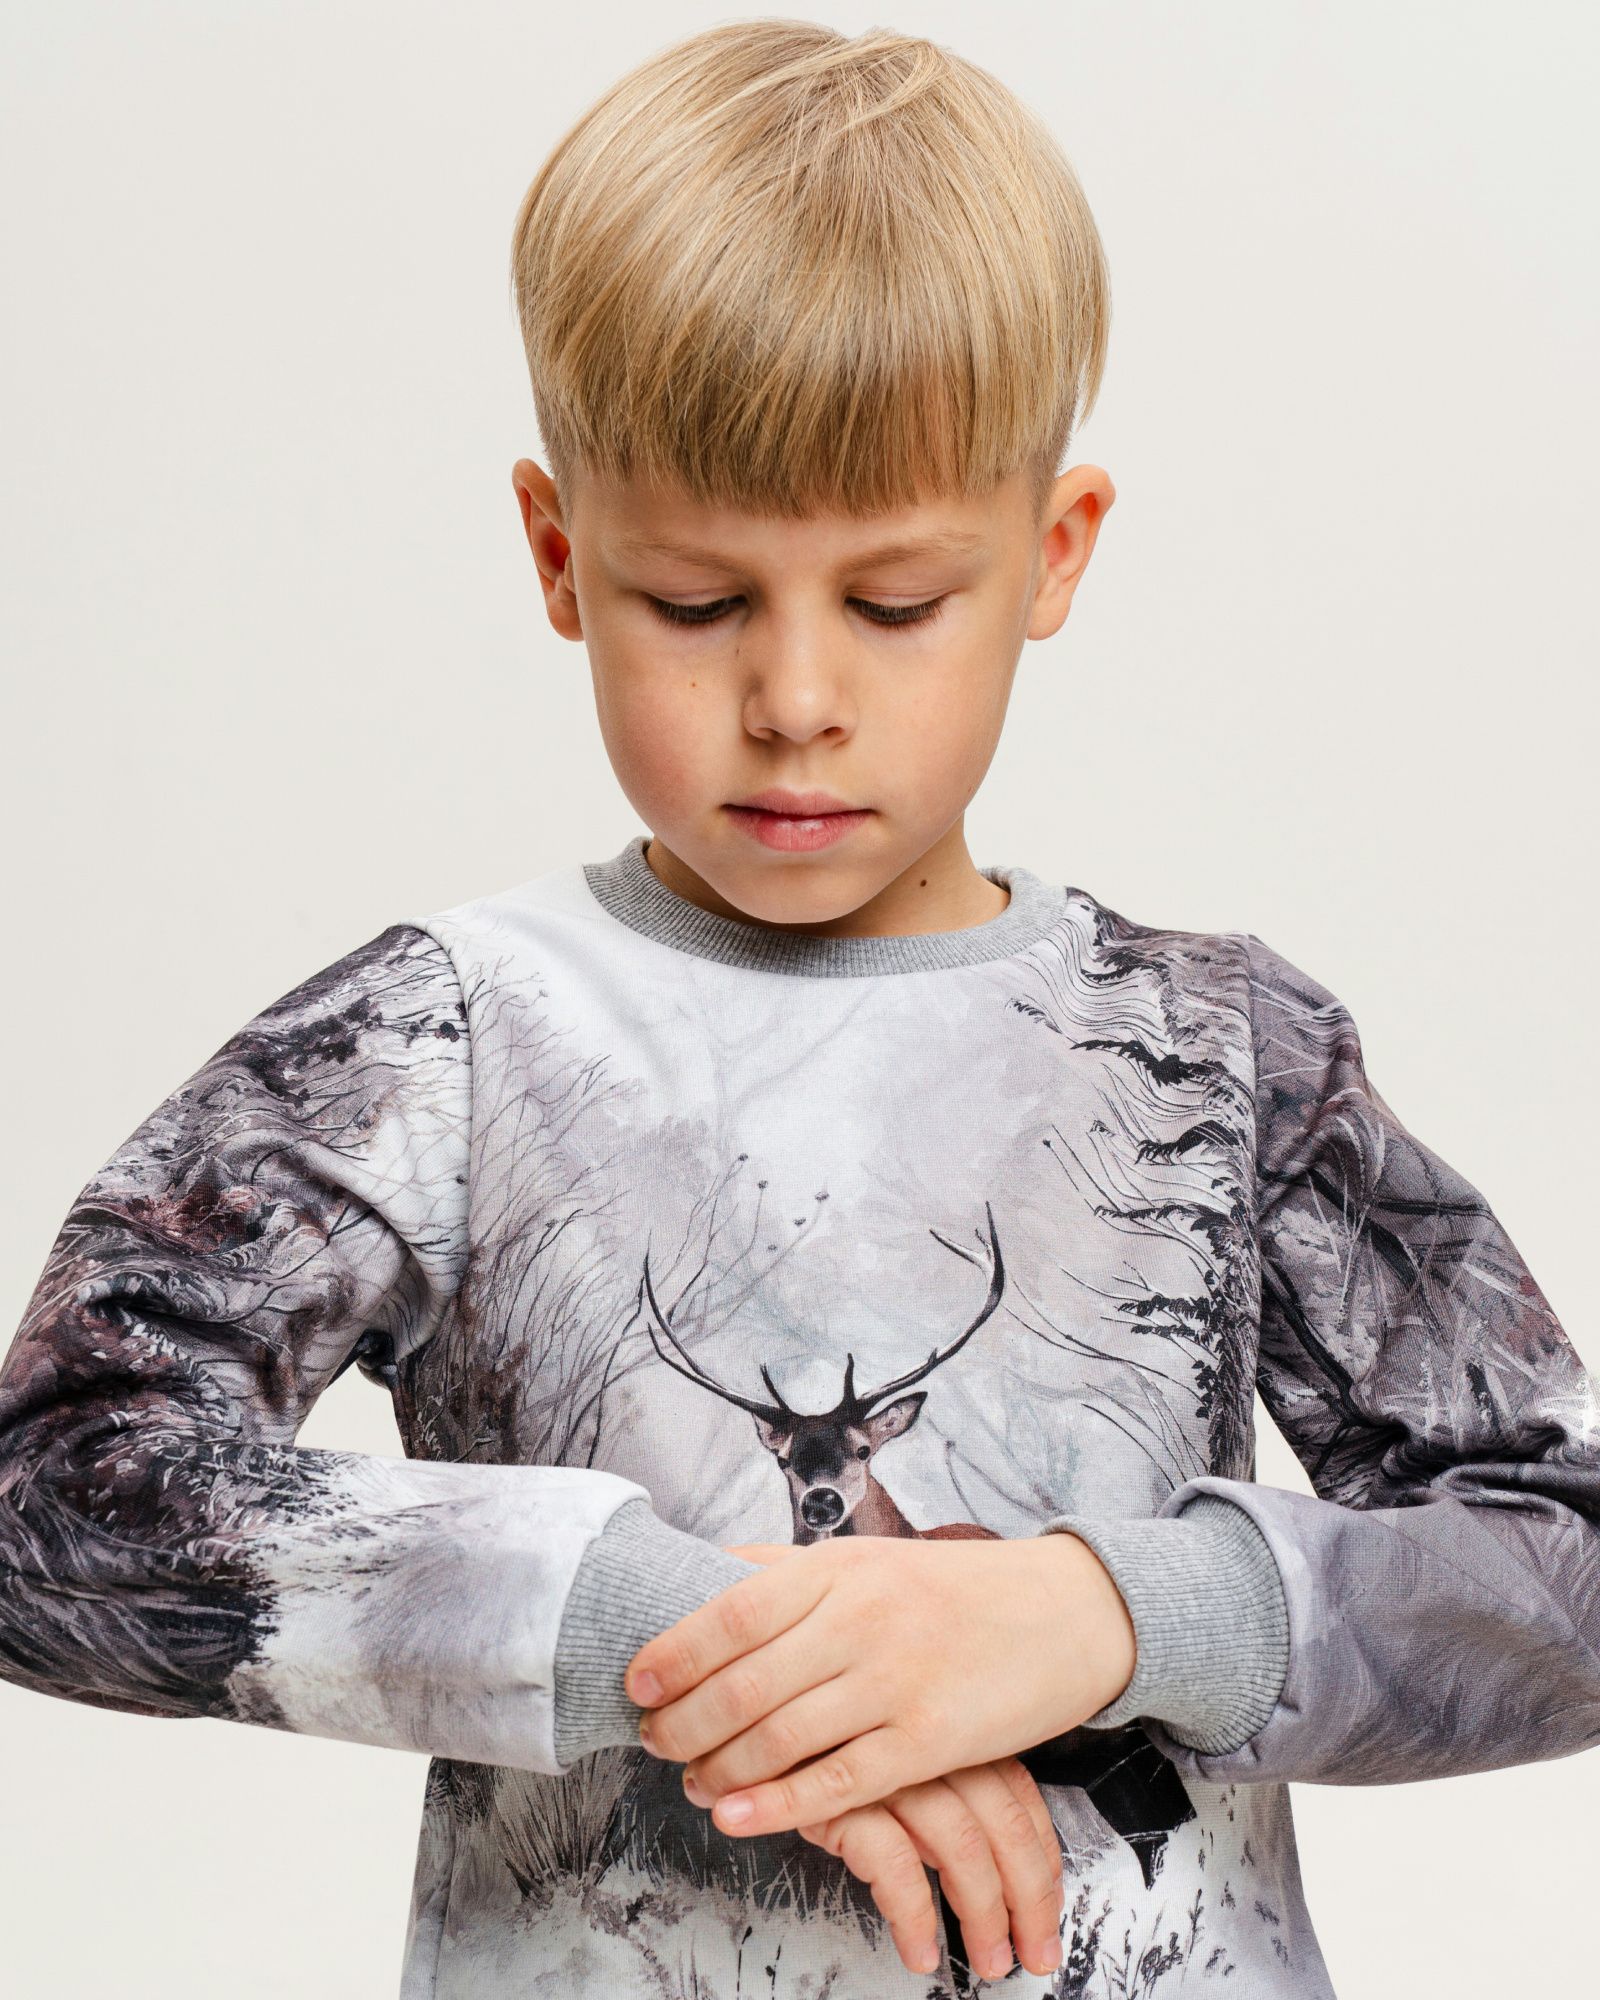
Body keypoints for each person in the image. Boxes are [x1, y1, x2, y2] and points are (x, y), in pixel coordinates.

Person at [2, 19, 1596, 1999]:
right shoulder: (443, 1040)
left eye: (896, 601)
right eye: (695, 602)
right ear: (559, 554)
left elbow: (1561, 1557)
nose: (796, 699)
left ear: (1053, 555)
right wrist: (659, 1628)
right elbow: (49, 1494)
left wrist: (1108, 1617)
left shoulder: (1218, 1057)